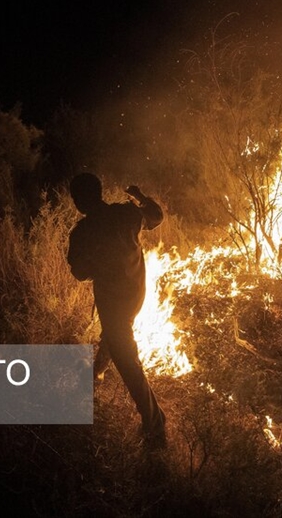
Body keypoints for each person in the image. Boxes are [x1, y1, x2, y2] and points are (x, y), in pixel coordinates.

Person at [67, 173, 167, 448]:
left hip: (113, 303)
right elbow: (156, 216)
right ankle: (93, 376)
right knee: (112, 338)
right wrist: (139, 196)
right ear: (99, 192)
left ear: (78, 200)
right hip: (136, 294)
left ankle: (156, 425)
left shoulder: (83, 232)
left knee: (126, 360)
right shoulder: (125, 213)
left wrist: (95, 263)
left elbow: (79, 272)